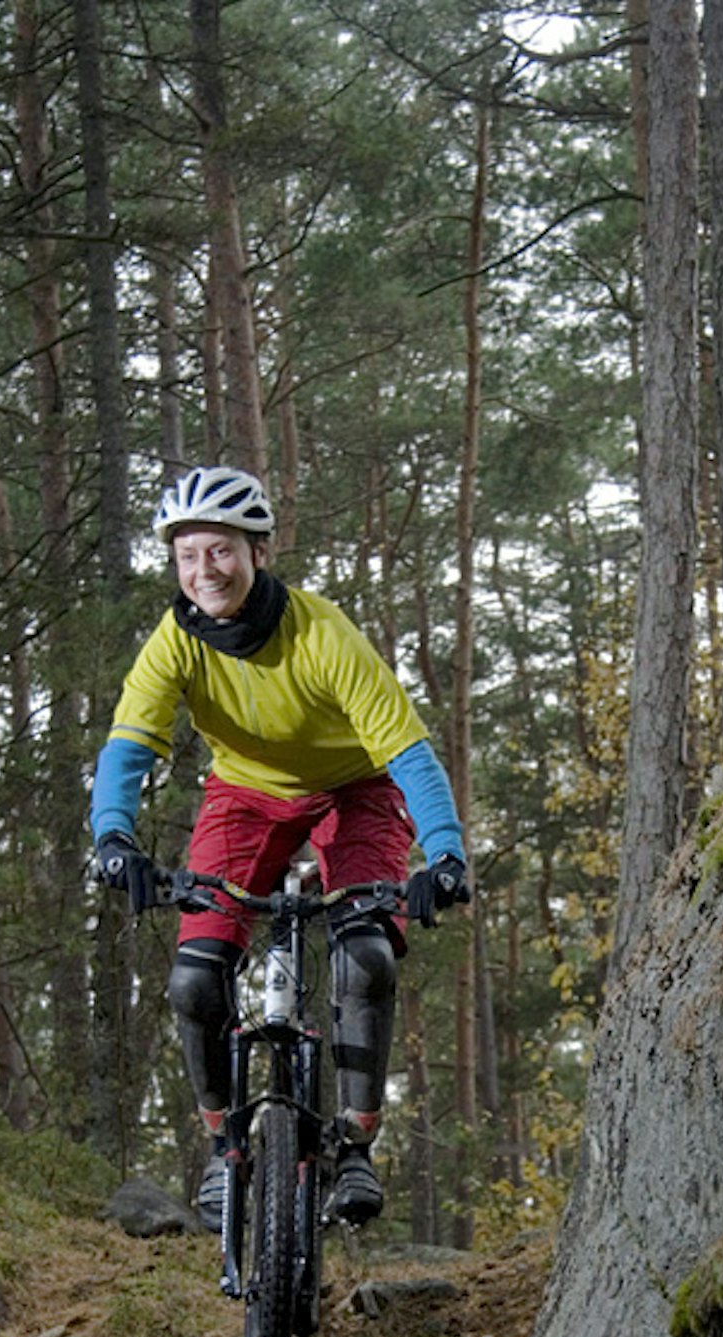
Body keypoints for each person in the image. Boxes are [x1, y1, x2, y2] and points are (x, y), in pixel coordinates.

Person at [91, 463, 469, 1231]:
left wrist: (446, 852)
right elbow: (129, 747)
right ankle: (223, 1145)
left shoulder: (323, 633)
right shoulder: (174, 644)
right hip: (245, 798)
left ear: (257, 551)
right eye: (189, 555)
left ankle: (355, 1143)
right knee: (194, 984)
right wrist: (113, 838)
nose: (205, 571)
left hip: (354, 791)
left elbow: (408, 755)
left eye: (221, 551)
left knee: (364, 959)